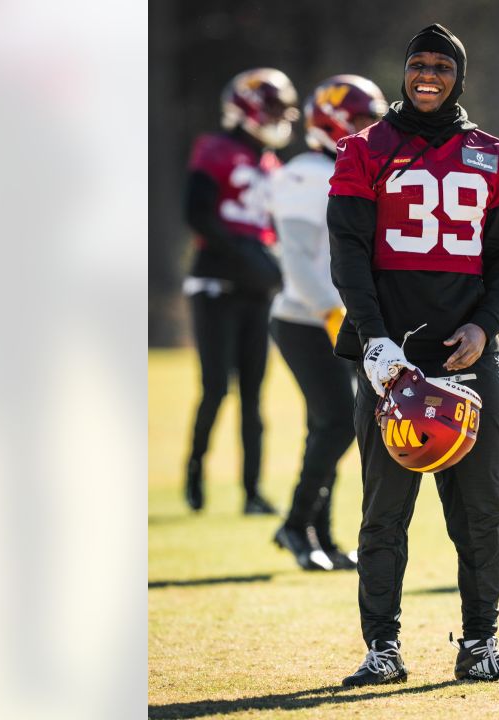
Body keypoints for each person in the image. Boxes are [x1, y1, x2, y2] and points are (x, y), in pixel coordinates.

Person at [327, 23, 499, 686]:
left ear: (458, 76)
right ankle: (382, 649)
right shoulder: (364, 149)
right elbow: (348, 254)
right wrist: (375, 340)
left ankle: (481, 643)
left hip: (469, 356)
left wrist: (486, 326)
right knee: (384, 512)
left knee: (482, 510)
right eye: (417, 65)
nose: (427, 76)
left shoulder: (493, 154)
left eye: (441, 67)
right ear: (403, 72)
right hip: (395, 360)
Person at [267, 74, 388, 571]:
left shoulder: (357, 169)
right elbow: (294, 258)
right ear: (333, 120)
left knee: (334, 424)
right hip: (305, 318)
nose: (371, 129)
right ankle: (296, 525)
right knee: (337, 421)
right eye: (361, 119)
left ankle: (322, 533)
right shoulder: (305, 173)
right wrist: (331, 310)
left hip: (345, 318)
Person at [182, 68, 296, 515]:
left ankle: (252, 491)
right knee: (215, 387)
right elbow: (197, 214)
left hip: (255, 289)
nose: (277, 118)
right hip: (216, 281)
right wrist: (244, 254)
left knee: (254, 392)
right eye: (271, 108)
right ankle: (195, 476)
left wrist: (268, 263)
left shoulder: (272, 166)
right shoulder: (215, 149)